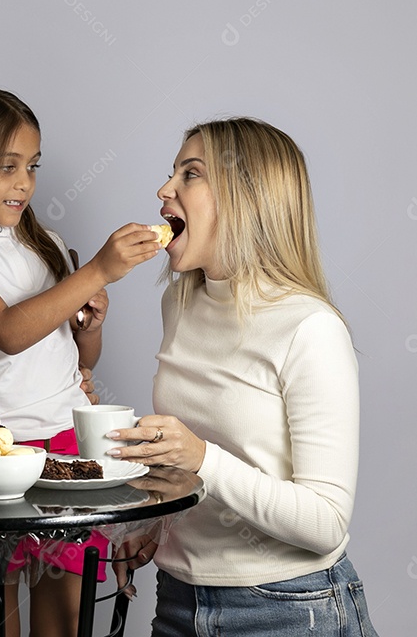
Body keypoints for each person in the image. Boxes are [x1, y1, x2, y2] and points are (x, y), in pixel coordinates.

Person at [0, 85, 163, 637]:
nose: (24, 182)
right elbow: (8, 332)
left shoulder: (44, 241)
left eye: (32, 166)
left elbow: (80, 356)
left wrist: (91, 321)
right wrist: (96, 272)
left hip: (65, 445)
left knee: (65, 624)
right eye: (6, 165)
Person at [107, 117, 380, 636]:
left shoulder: (309, 328)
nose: (163, 190)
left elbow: (325, 524)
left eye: (190, 175)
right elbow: (199, 469)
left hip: (289, 609)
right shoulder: (180, 302)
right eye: (172, 174)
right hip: (178, 600)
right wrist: (154, 524)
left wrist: (200, 457)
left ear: (245, 197)